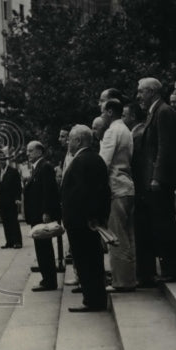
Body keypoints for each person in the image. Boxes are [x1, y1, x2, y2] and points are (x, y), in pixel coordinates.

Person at [135, 78, 176, 285]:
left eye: (141, 91)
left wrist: (157, 177)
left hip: (159, 182)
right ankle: (169, 268)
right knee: (159, 226)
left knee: (166, 226)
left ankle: (174, 270)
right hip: (152, 181)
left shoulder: (163, 112)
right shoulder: (155, 112)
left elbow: (165, 149)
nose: (138, 96)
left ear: (152, 92)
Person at [61, 125, 111, 312]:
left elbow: (84, 193)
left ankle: (92, 300)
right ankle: (95, 298)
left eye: (70, 139)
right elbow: (102, 191)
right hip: (88, 220)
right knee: (92, 260)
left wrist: (91, 216)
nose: (68, 142)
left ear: (79, 141)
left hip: (81, 222)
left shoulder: (82, 161)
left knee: (85, 261)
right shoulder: (95, 158)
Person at [98, 99, 136, 291]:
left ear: (111, 112)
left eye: (103, 111)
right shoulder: (127, 130)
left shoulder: (112, 131)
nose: (102, 115)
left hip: (116, 187)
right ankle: (128, 277)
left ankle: (122, 281)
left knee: (116, 235)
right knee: (128, 235)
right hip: (127, 186)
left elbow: (103, 163)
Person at [23, 141, 60, 291]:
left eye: (30, 150)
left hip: (41, 215)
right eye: (27, 151)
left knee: (44, 248)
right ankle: (47, 279)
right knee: (41, 248)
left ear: (39, 151)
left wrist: (46, 212)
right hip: (36, 214)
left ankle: (49, 281)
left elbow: (48, 191)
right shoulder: (37, 167)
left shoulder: (45, 167)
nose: (27, 153)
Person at [0, 153, 23, 249]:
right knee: (5, 222)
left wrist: (17, 198)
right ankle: (9, 241)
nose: (1, 162)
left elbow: (18, 186)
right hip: (2, 202)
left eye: (3, 160)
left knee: (13, 221)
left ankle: (17, 241)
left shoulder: (13, 171)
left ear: (6, 160)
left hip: (11, 201)